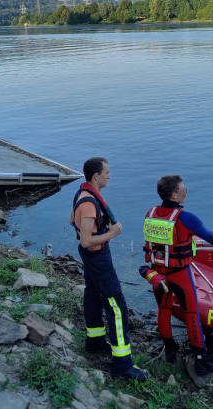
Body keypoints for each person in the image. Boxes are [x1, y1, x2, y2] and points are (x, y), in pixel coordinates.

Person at [140, 174, 213, 376]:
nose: (186, 191)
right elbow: (209, 235)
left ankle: (170, 349)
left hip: (158, 274)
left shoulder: (150, 213)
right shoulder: (185, 218)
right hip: (179, 275)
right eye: (183, 189)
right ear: (174, 194)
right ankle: (200, 359)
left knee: (164, 310)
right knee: (191, 314)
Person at [70, 157, 148, 381]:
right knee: (116, 306)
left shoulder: (82, 195)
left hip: (93, 257)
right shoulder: (88, 203)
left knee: (93, 295)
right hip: (96, 257)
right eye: (107, 172)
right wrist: (112, 234)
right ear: (96, 176)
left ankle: (94, 341)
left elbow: (73, 223)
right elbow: (86, 240)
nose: (109, 176)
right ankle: (122, 364)